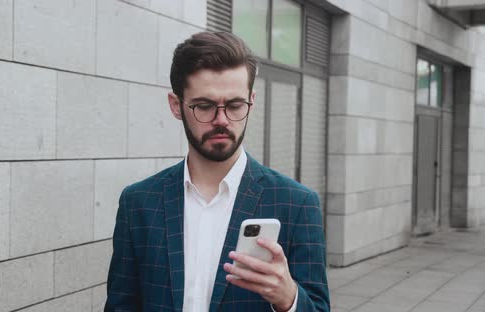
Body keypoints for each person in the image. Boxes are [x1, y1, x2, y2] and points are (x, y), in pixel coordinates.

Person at [105, 31, 329, 312]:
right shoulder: (138, 202)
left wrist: (288, 298)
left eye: (235, 105)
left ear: (252, 101)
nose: (222, 120)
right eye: (205, 106)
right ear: (176, 106)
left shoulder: (296, 203)